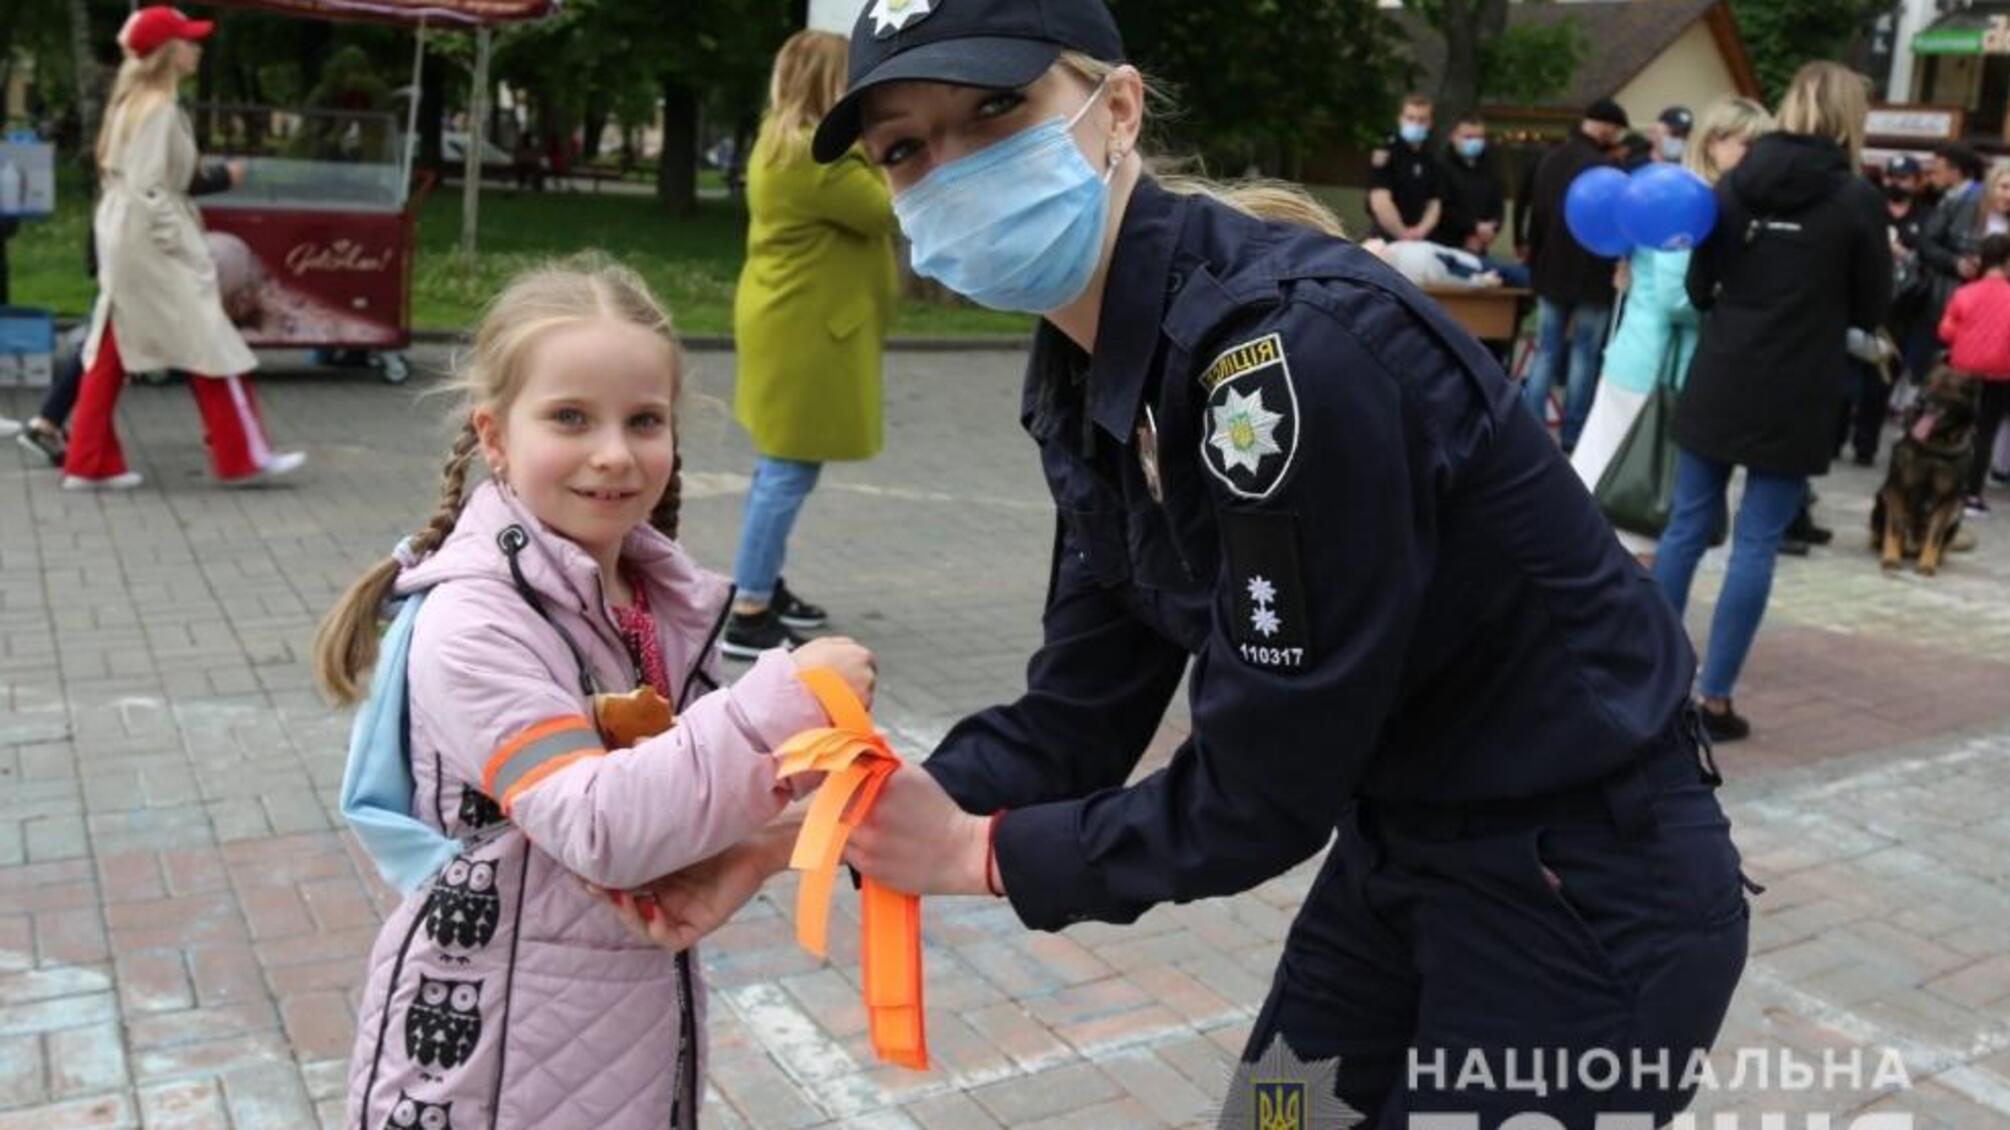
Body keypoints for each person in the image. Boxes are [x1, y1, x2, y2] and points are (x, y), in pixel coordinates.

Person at [618, 4, 1748, 1125]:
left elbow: (1262, 788)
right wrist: (787, 835)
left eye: (997, 108)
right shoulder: (1087, 367)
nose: (953, 166)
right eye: (906, 148)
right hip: (1405, 845)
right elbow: (1077, 713)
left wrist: (981, 852)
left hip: (1586, 882)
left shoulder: (1285, 360)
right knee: (1276, 1115)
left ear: (1116, 109)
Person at [313, 259, 874, 1130]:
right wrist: (781, 701)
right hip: (493, 1053)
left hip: (619, 1010)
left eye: (644, 420)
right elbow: (600, 826)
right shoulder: (476, 622)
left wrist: (808, 801)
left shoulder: (650, 598)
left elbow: (687, 792)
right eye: (571, 418)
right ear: (495, 436)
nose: (614, 453)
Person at [1655, 62, 1892, 742]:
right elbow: (1874, 306)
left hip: (1725, 373)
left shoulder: (1737, 184)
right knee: (1756, 541)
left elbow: (1700, 286)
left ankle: (1655, 677)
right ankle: (1716, 698)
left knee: (1685, 529)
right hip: (1799, 385)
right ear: (1851, 116)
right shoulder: (1856, 200)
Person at [64, 6, 303, 490]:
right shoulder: (158, 108)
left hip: (126, 233)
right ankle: (242, 456)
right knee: (208, 339)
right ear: (168, 52)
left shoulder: (131, 102)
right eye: (188, 41)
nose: (196, 48)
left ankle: (88, 461)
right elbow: (151, 190)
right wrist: (185, 249)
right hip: (149, 238)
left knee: (114, 344)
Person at [723, 29, 899, 657]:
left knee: (782, 465)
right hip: (805, 331)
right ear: (830, 81)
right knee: (787, 470)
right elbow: (887, 209)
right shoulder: (816, 155)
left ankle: (762, 582)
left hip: (792, 321)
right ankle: (747, 606)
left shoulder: (785, 140)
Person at [1571, 97, 1773, 561]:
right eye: (1750, 144)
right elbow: (1675, 296)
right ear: (1716, 142)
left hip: (1655, 368)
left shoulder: (1702, 198)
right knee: (1636, 508)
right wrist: (1742, 299)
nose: (1759, 156)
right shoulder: (1688, 199)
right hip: (1652, 374)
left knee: (1627, 506)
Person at [17, 160, 246, 467]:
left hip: (125, 244)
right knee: (187, 340)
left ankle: (51, 423)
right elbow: (154, 175)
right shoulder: (146, 114)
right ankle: (226, 441)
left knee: (106, 345)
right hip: (139, 250)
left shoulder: (127, 116)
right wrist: (220, 176)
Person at [1523, 99, 1631, 451]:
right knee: (1585, 353)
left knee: (1546, 350)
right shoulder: (1606, 170)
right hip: (1594, 276)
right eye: (1614, 131)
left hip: (1551, 271)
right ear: (1604, 127)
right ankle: (1573, 434)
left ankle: (1528, 427)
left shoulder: (1551, 159)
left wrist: (1535, 265)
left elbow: (1536, 214)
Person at [1939, 233, 2010, 515]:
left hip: (1962, 370)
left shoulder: (1963, 293)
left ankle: (1944, 487)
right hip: (2000, 373)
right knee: (1985, 432)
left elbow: (1945, 331)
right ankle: (1972, 495)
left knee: (1954, 427)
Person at [1433, 113, 1528, 286]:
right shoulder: (1440, 167)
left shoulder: (1489, 168)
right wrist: (1472, 228)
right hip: (1448, 247)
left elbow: (1497, 206)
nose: (1475, 142)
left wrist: (1490, 230)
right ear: (1454, 137)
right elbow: (1442, 208)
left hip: (1481, 247)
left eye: (1479, 137)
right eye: (1468, 137)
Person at [1366, 92, 1443, 242]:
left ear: (1430, 123)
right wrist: (1402, 233)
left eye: (1422, 120)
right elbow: (1380, 201)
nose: (1416, 124)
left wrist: (1421, 231)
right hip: (1386, 236)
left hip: (1419, 238)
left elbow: (1434, 203)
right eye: (1411, 118)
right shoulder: (1387, 153)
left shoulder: (1431, 158)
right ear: (1401, 120)